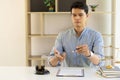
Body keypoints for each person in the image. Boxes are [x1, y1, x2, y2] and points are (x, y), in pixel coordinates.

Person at [49, 1, 104, 67]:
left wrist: (89, 54)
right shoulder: (62, 36)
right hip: (68, 75)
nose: (77, 18)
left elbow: (100, 62)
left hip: (88, 75)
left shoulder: (96, 36)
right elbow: (51, 63)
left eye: (80, 15)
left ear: (87, 16)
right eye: (74, 15)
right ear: (71, 16)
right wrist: (56, 58)